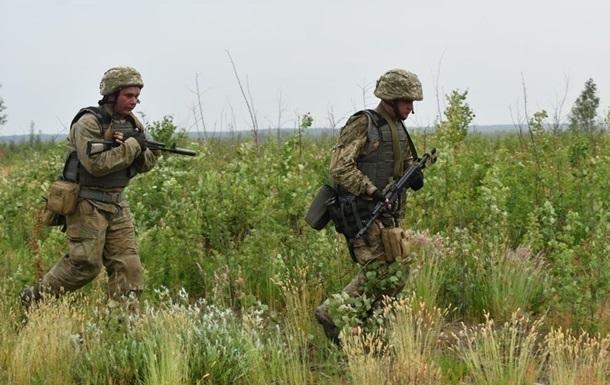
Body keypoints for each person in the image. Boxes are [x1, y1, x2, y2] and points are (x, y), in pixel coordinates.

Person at [21, 66, 159, 311]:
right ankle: (35, 300)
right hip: (87, 204)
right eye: (129, 95)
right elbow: (95, 165)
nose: (134, 102)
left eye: (137, 96)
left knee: (129, 265)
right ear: (112, 94)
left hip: (117, 203)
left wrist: (138, 148)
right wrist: (131, 147)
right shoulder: (88, 122)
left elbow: (147, 163)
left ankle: (123, 327)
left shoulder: (132, 124)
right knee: (84, 265)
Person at [314, 68, 425, 345]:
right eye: (407, 101)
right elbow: (340, 167)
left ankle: (371, 330)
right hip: (363, 211)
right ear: (390, 98)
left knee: (397, 270)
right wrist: (372, 191)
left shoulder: (398, 126)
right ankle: (333, 313)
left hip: (389, 213)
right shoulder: (364, 123)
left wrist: (414, 174)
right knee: (382, 269)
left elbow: (405, 159)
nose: (411, 108)